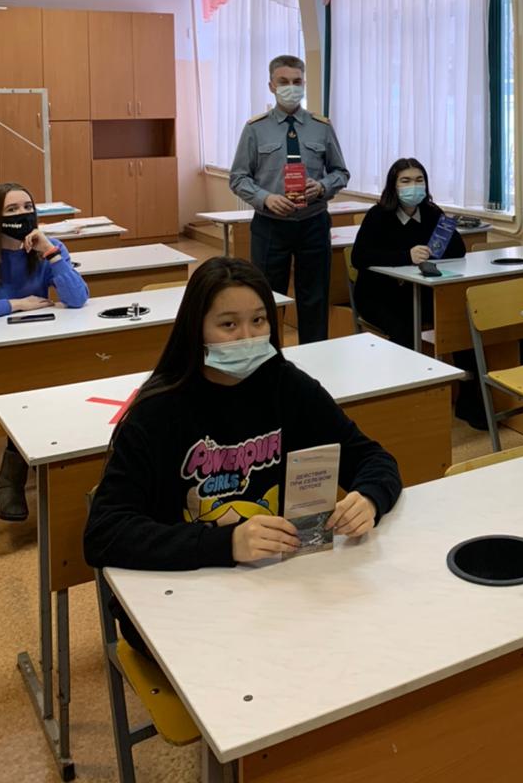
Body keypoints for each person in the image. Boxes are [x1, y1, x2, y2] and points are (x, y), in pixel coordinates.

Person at [84, 257, 402, 654]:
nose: (247, 337)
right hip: (183, 597)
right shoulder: (158, 410)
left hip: (276, 585)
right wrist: (227, 542)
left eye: (258, 321)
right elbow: (105, 533)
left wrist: (369, 498)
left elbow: (372, 458)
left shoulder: (289, 387)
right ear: (196, 329)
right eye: (228, 324)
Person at [0, 183, 89, 520]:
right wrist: (15, 304)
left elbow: (78, 298)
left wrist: (51, 252)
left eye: (27, 208)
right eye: (12, 210)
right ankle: (12, 476)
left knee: (58, 379)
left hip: (33, 348)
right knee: (24, 385)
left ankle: (32, 467)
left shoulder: (46, 248)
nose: (22, 215)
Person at [351, 160, 484, 428]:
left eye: (419, 180)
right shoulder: (378, 215)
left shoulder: (432, 212)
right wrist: (405, 256)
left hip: (420, 292)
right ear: (394, 185)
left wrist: (436, 249)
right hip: (379, 295)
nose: (414, 186)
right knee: (404, 331)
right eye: (406, 180)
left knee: (459, 324)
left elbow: (458, 250)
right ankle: (407, 405)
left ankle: (472, 403)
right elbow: (359, 256)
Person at [229, 55, 349, 344]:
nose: (290, 88)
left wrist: (321, 187)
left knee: (315, 298)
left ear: (304, 84)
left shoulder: (321, 126)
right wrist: (265, 198)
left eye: (296, 82)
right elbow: (238, 177)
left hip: (313, 223)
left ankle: (314, 357)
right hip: (271, 225)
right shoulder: (255, 128)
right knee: (266, 299)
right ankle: (270, 357)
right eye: (283, 82)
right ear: (271, 86)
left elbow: (341, 172)